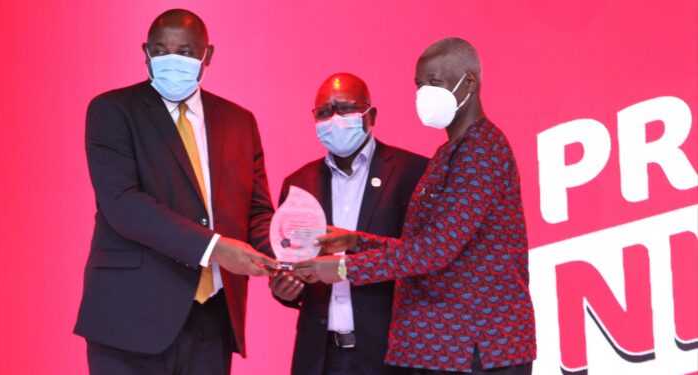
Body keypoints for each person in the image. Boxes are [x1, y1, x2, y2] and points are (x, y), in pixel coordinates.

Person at [293, 38, 536, 375]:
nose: (424, 94)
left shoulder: (481, 150)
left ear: (468, 83)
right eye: (419, 85)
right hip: (445, 346)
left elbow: (435, 251)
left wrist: (343, 269)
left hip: (480, 346)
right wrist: (355, 241)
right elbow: (422, 248)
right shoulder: (448, 153)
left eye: (434, 83)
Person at [74, 9, 278, 375]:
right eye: (160, 49)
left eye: (184, 52)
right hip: (129, 319)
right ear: (145, 51)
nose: (171, 60)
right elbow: (123, 204)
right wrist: (215, 247)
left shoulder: (239, 121)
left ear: (207, 56)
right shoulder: (112, 111)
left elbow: (257, 211)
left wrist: (286, 256)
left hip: (213, 318)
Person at [270, 73, 428, 375]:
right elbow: (290, 263)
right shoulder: (298, 184)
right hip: (320, 356)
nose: (335, 118)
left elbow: (421, 258)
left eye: (346, 108)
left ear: (372, 115)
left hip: (391, 355)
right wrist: (285, 288)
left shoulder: (413, 172)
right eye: (325, 112)